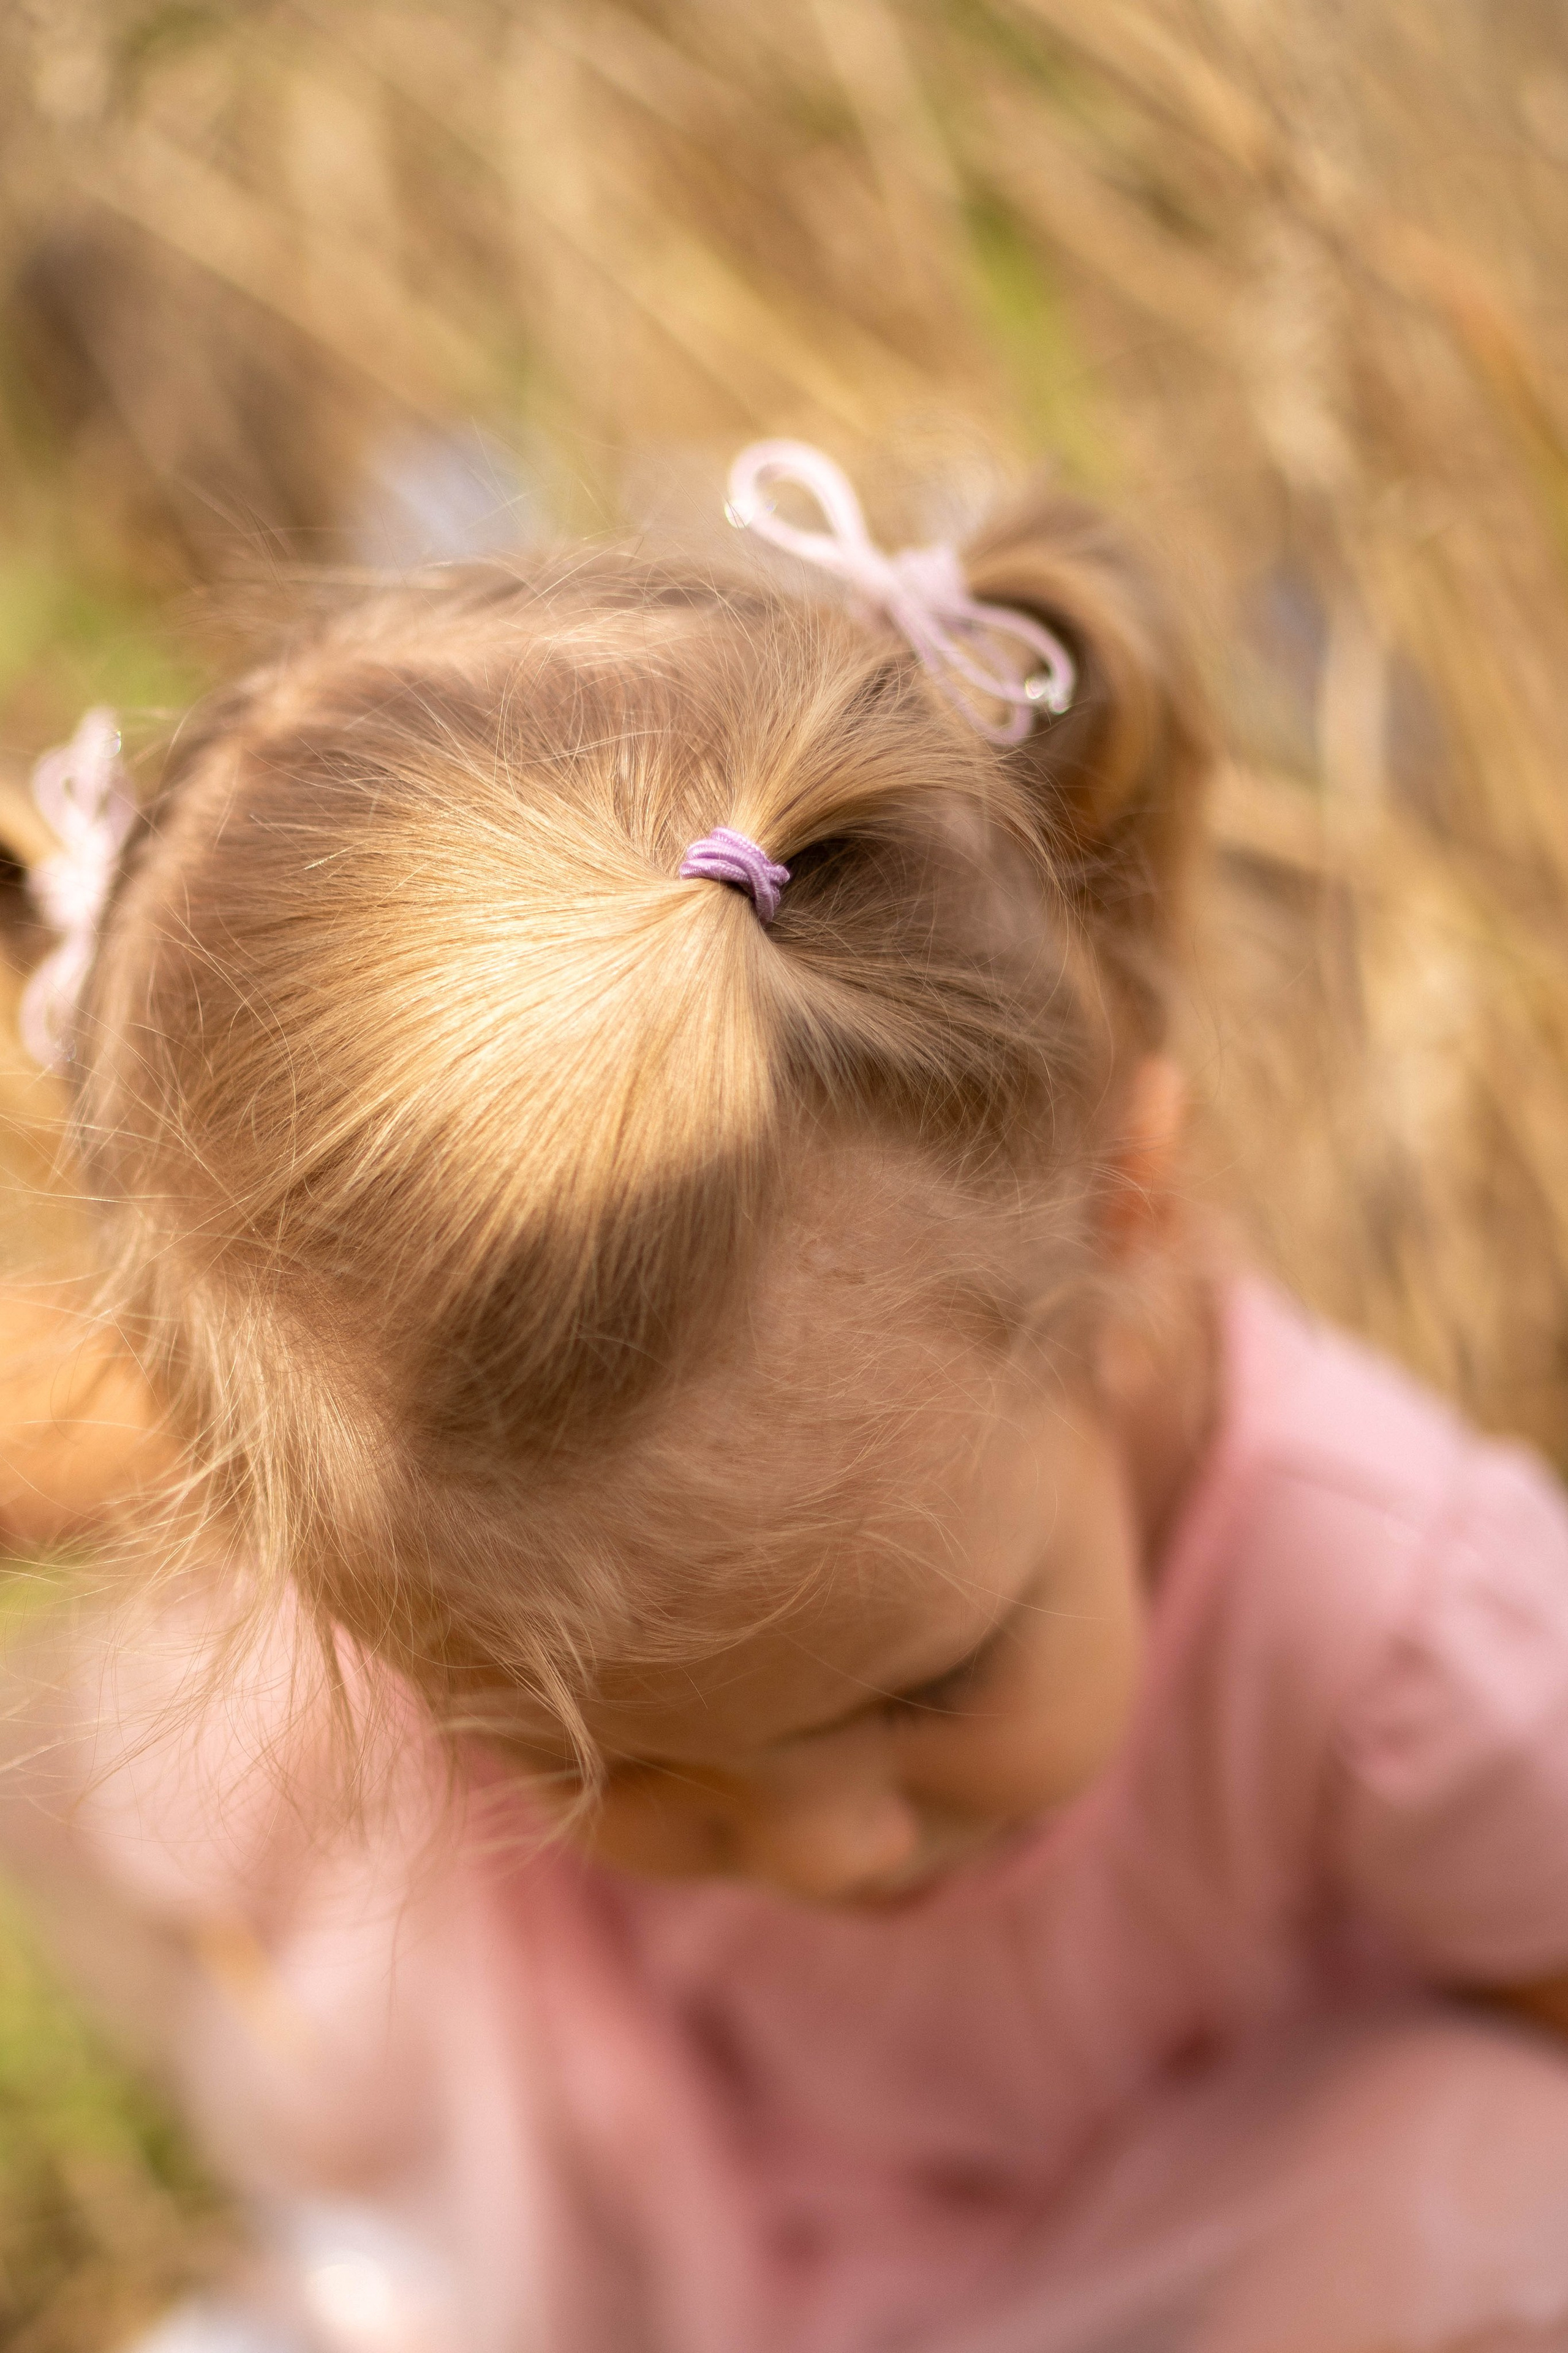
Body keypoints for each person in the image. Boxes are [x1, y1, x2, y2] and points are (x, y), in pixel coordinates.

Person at [6, 439, 1568, 2353]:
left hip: (1128, 2274)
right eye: (636, 1758)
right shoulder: (371, 1432)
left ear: (1128, 1212)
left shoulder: (1389, 1620)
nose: (832, 1852)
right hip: (629, 2237)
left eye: (933, 1683)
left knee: (1497, 2166)